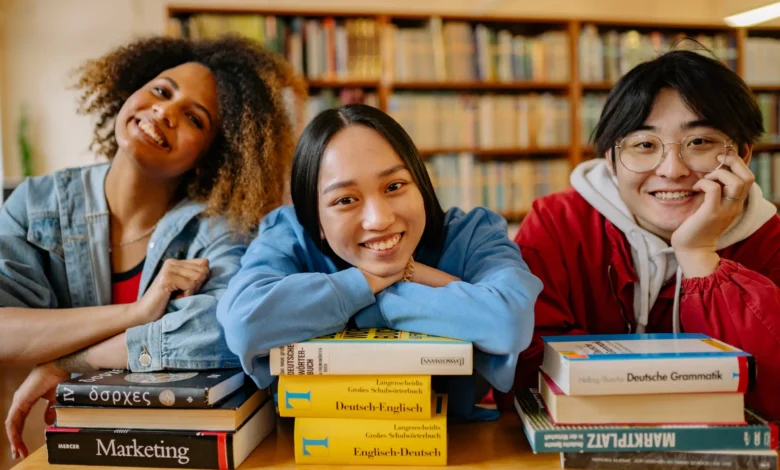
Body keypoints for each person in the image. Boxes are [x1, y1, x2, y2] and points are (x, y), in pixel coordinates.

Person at [1, 35, 305, 459]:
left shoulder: (217, 230)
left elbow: (227, 329)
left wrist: (66, 363)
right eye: (161, 91)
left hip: (176, 451)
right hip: (61, 448)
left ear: (208, 156)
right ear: (131, 93)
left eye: (195, 119)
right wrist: (135, 314)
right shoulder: (34, 205)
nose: (164, 111)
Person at [216, 104, 543, 421]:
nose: (379, 219)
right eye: (345, 200)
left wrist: (365, 304)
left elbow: (509, 322)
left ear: (421, 184)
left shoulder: (473, 234)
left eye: (394, 186)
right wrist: (369, 283)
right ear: (315, 219)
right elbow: (246, 323)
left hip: (458, 447)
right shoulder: (289, 234)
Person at [511, 50, 780, 420]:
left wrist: (700, 255)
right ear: (610, 160)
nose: (672, 170)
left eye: (700, 142)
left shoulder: (771, 240)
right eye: (644, 145)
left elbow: (773, 393)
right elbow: (523, 367)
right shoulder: (559, 222)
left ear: (744, 155)